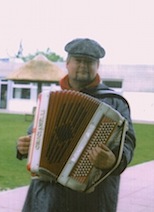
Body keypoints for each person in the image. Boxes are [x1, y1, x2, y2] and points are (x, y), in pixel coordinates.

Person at [16, 38, 136, 212]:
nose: (83, 65)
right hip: (49, 195)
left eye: (89, 62)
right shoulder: (51, 99)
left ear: (97, 65)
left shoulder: (115, 102)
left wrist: (113, 160)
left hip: (92, 196)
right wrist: (22, 147)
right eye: (78, 60)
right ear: (67, 63)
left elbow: (128, 142)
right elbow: (35, 134)